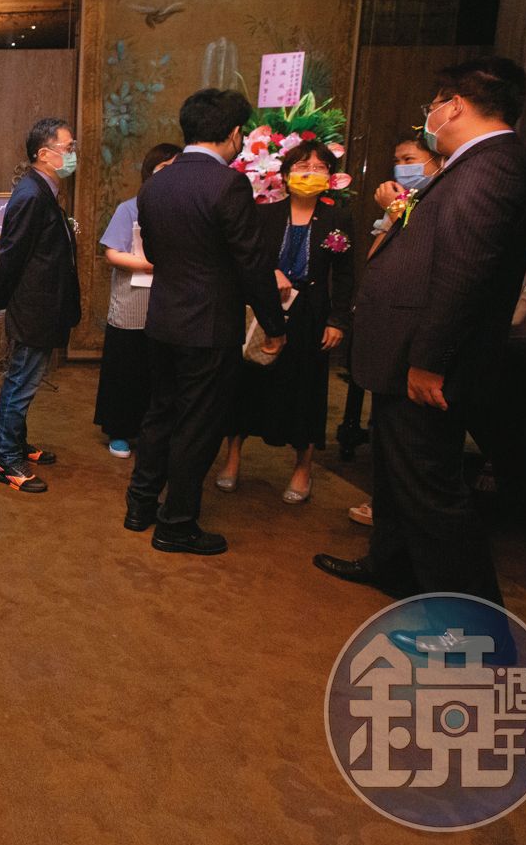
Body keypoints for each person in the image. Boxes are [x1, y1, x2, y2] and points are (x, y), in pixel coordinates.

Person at [316, 57, 526, 636]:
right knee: (396, 474)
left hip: (427, 361)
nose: (430, 115)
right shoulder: (471, 165)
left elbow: (465, 275)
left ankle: (473, 630)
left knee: (432, 492)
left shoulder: (492, 167)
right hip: (403, 351)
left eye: (434, 104)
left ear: (455, 105)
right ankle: (391, 568)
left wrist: (428, 362)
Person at [123, 90, 287, 554]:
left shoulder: (156, 184)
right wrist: (274, 325)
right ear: (234, 134)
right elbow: (252, 263)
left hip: (163, 320)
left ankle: (140, 505)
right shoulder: (228, 185)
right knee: (197, 425)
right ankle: (176, 524)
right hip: (209, 326)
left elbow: (155, 251)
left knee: (160, 413)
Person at [217, 140, 355, 503]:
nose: (310, 173)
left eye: (319, 167)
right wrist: (270, 272)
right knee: (246, 383)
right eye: (302, 166)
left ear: (330, 176)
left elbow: (345, 276)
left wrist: (338, 320)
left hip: (311, 314)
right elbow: (244, 259)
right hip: (265, 308)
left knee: (305, 389)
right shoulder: (264, 214)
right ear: (286, 173)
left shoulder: (338, 219)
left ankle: (303, 467)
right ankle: (232, 458)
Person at [350, 131, 445, 526]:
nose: (402, 168)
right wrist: (392, 215)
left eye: (410, 159)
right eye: (398, 161)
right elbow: (376, 258)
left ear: (437, 162)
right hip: (387, 330)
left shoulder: (441, 201)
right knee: (386, 427)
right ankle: (387, 508)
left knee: (415, 439)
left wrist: (399, 211)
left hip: (418, 332)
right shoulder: (400, 207)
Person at [0, 117, 82, 493]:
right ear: (44, 154)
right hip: (33, 307)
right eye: (68, 148)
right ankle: (5, 458)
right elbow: (11, 256)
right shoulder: (30, 194)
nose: (73, 155)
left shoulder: (45, 190)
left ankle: (17, 442)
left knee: (28, 378)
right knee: (21, 380)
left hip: (46, 305)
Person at [94, 142, 181, 459]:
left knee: (160, 372)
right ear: (149, 172)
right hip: (133, 301)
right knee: (127, 368)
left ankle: (153, 432)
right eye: (164, 168)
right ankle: (120, 431)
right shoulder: (130, 208)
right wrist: (149, 264)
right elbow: (112, 254)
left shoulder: (186, 210)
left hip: (170, 303)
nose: (170, 175)